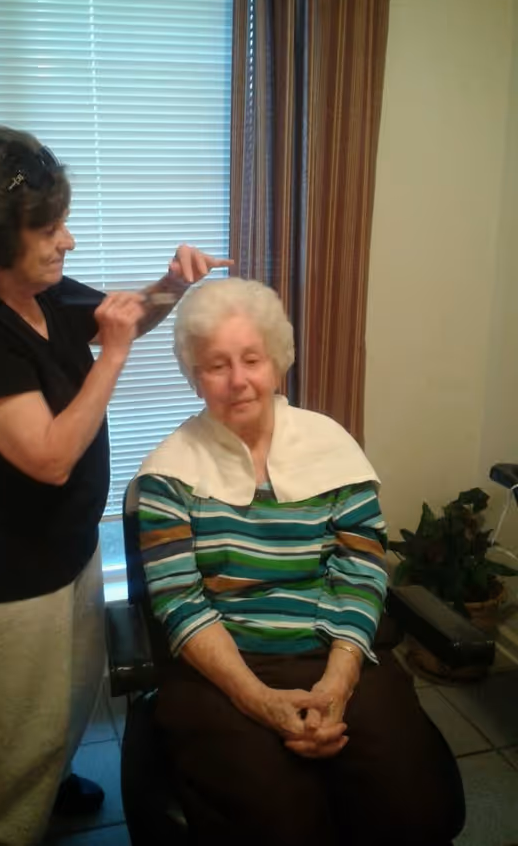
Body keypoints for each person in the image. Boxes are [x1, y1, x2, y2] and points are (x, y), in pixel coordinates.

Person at [0, 124, 232, 846]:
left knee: (63, 695)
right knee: (13, 726)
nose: (69, 242)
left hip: (61, 546)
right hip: (2, 576)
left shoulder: (41, 291)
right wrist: (111, 360)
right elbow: (51, 456)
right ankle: (3, 827)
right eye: (51, 228)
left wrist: (172, 287)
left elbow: (124, 317)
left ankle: (49, 783)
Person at [134, 277, 466, 846]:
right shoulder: (167, 474)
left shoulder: (329, 446)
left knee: (416, 812)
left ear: (278, 361)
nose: (238, 380)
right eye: (216, 365)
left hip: (335, 648)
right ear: (193, 375)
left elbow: (360, 570)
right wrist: (257, 699)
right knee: (278, 826)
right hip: (225, 666)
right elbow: (178, 600)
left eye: (251, 359)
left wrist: (337, 683)